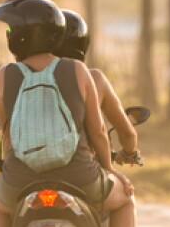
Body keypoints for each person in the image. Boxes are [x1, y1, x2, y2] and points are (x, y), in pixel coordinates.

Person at [0, 0, 154, 227]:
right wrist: (110, 170)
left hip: (21, 181)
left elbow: (8, 132)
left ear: (19, 37)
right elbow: (98, 131)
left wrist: (11, 173)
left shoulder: (5, 75)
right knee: (125, 198)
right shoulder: (78, 70)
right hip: (79, 178)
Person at [55, 9, 141, 165]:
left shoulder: (25, 78)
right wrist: (130, 154)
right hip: (82, 170)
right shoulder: (94, 78)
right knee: (125, 188)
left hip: (28, 173)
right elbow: (126, 134)